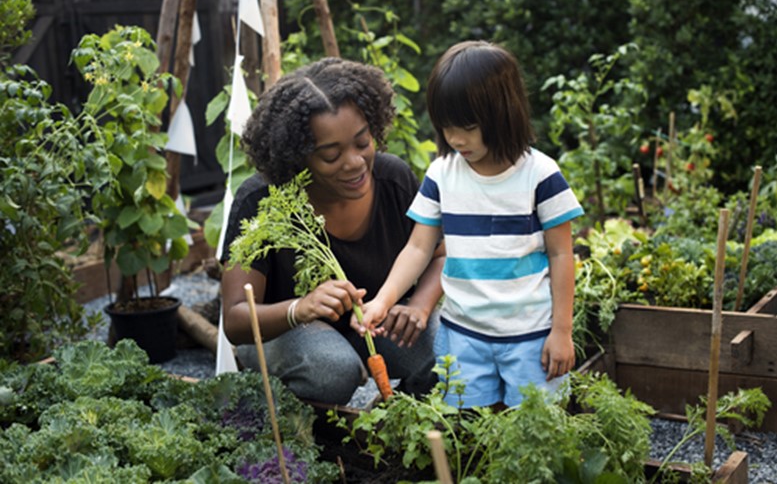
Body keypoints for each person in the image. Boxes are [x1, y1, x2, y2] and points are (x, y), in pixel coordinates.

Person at [361, 41, 584, 408]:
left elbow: (562, 254)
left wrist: (562, 331)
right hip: (462, 335)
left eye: (467, 127)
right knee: (465, 423)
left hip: (530, 335)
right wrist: (382, 301)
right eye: (446, 127)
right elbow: (418, 247)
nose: (455, 139)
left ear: (503, 114)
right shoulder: (441, 174)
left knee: (535, 425)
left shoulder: (541, 175)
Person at [220, 57, 445, 405]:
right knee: (332, 370)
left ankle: (399, 413)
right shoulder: (262, 200)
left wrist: (418, 306)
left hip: (375, 321)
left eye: (362, 142)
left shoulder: (393, 180)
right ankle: (286, 416)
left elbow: (439, 256)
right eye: (330, 155)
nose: (354, 162)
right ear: (297, 156)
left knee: (448, 344)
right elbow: (235, 321)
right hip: (286, 332)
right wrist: (300, 308)